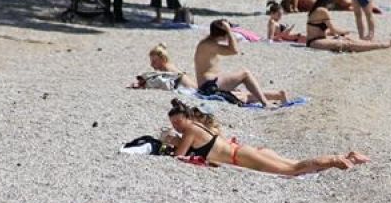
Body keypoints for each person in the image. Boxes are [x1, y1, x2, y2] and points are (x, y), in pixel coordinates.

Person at [165, 99, 370, 176]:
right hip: (244, 151)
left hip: (241, 156)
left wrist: (172, 142)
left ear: (186, 118)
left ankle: (336, 160)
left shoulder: (190, 129)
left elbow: (179, 156)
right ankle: (349, 156)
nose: (176, 126)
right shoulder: (199, 126)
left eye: (178, 122)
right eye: (173, 124)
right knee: (296, 164)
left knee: (293, 170)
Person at [194, 19, 287, 106]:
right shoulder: (209, 45)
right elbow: (234, 50)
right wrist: (229, 30)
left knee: (243, 95)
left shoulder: (208, 42)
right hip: (209, 85)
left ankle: (278, 95)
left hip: (209, 84)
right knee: (245, 74)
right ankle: (265, 103)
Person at [305, 0, 391, 53]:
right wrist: (346, 31)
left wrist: (341, 33)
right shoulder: (322, 11)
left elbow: (321, 29)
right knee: (348, 44)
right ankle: (379, 45)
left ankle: (374, 44)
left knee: (348, 39)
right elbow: (334, 30)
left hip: (319, 39)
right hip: (315, 41)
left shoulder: (316, 10)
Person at [132, 43, 197, 89]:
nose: (151, 64)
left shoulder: (167, 69)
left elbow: (161, 83)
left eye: (154, 61)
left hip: (192, 89)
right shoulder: (169, 66)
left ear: (162, 59)